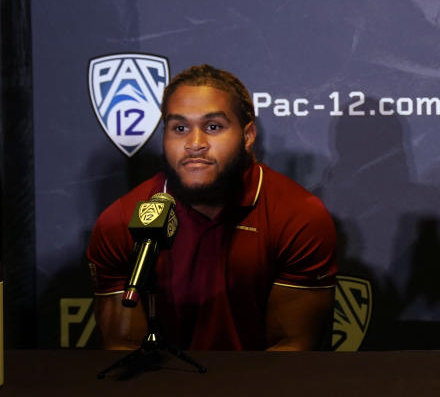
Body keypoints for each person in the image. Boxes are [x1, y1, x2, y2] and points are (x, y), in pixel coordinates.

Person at [87, 64, 337, 351]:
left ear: (248, 135)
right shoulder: (120, 222)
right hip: (160, 390)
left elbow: (292, 347)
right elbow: (124, 349)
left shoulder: (298, 217)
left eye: (213, 127)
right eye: (179, 128)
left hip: (262, 389)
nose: (194, 144)